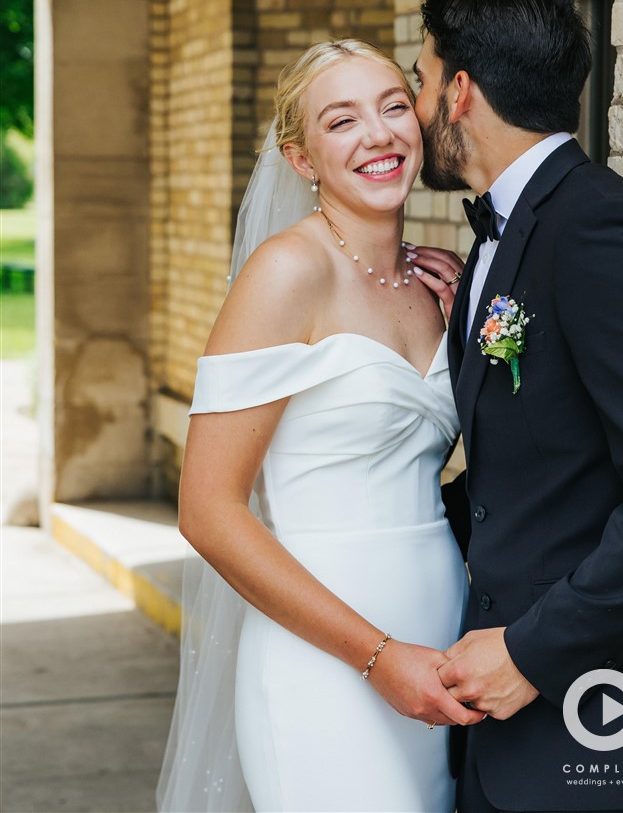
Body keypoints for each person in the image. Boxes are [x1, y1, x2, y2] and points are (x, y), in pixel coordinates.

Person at [156, 39, 483, 813]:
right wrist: (376, 658)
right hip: (325, 658)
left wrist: (475, 307)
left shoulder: (435, 279)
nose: (377, 134)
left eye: (393, 106)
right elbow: (207, 511)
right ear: (301, 160)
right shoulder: (285, 273)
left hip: (443, 635)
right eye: (342, 121)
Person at [408, 0, 623, 813]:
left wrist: (530, 652)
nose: (411, 113)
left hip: (590, 709)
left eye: (415, 80)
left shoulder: (598, 228)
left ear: (458, 93)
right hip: (489, 719)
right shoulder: (503, 237)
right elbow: (528, 467)